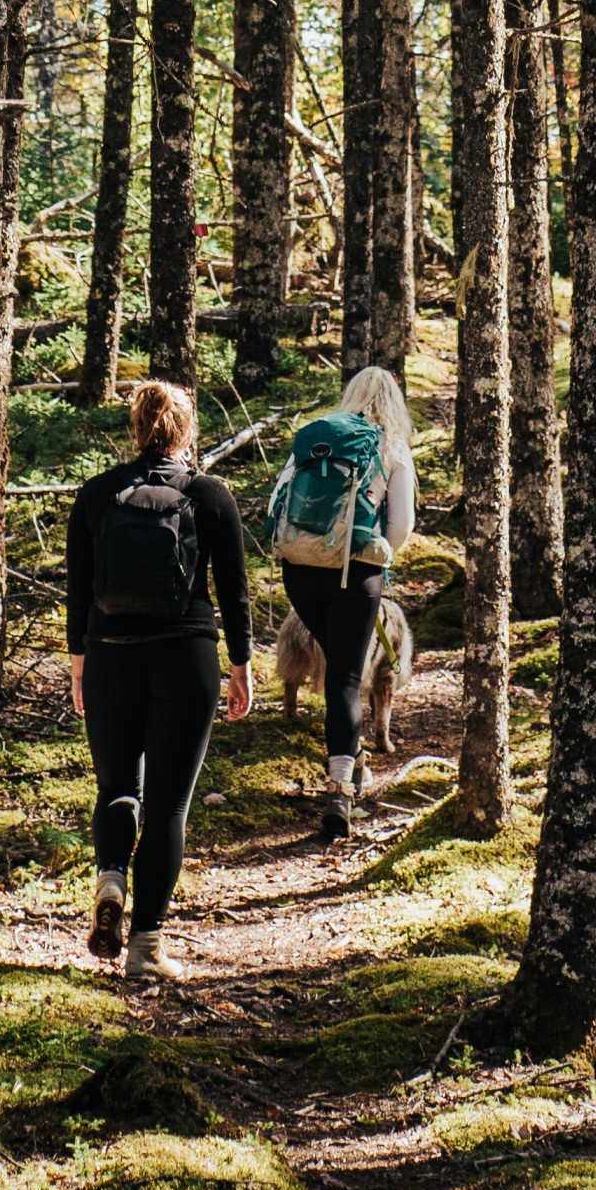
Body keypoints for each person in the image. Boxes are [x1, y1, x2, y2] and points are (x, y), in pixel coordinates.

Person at [65, 374, 253, 981]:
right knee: (169, 804)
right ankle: (146, 948)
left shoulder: (96, 495)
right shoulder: (210, 495)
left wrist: (79, 667)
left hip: (110, 655)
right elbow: (234, 591)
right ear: (186, 429)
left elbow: (78, 593)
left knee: (119, 786)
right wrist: (241, 667)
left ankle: (111, 875)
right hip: (186, 657)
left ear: (136, 429)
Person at [270, 364, 415, 840]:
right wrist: (374, 551)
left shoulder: (317, 439)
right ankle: (340, 788)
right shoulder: (391, 446)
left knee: (335, 661)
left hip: (300, 573)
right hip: (355, 576)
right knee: (347, 680)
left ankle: (354, 757)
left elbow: (279, 502)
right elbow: (401, 527)